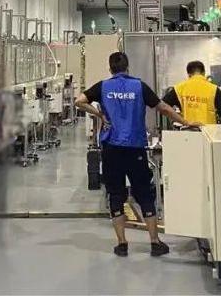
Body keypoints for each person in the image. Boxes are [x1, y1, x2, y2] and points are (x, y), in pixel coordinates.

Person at [75, 52, 200, 257]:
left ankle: (122, 244)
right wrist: (185, 122)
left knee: (116, 193)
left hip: (112, 148)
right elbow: (163, 108)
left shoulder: (103, 86)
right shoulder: (139, 86)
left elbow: (79, 101)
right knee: (144, 193)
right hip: (135, 147)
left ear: (110, 69)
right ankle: (155, 242)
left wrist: (99, 114)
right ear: (128, 67)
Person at [162, 60, 221, 124]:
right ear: (204, 73)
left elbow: (163, 106)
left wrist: (178, 117)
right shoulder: (214, 89)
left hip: (187, 129)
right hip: (209, 130)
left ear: (189, 74)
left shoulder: (179, 88)